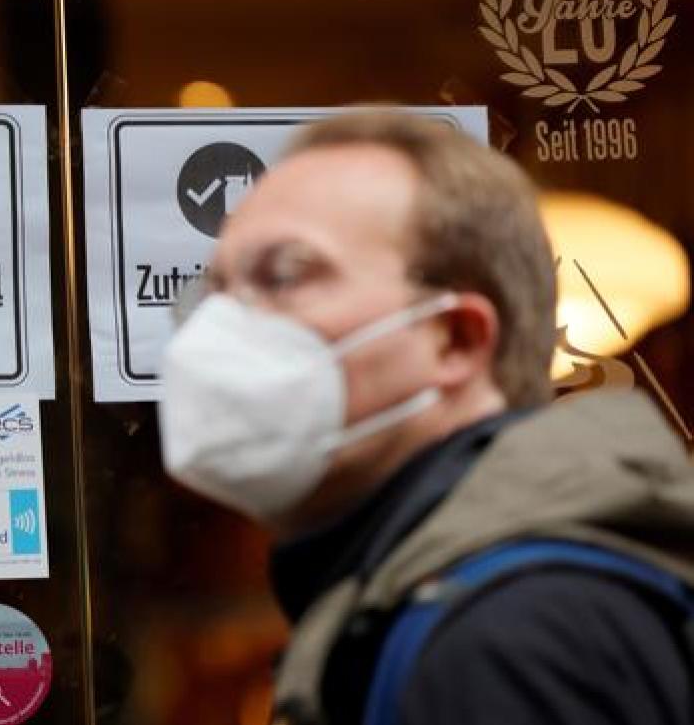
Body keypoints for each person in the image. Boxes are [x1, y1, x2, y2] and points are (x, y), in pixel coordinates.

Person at [158, 110, 694, 725]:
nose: (222, 328)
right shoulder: (420, 596)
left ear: (455, 339)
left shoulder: (507, 637)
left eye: (284, 275)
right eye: (217, 291)